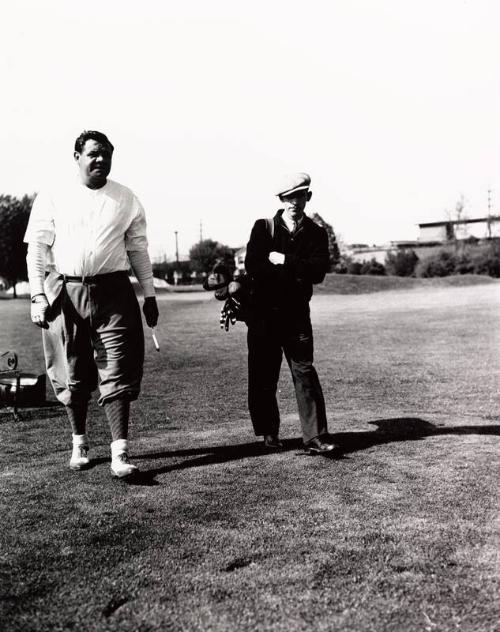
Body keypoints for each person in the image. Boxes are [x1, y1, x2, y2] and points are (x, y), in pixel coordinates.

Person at [24, 130, 159, 478]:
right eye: (94, 153)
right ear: (77, 156)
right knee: (72, 368)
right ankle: (79, 442)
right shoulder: (54, 196)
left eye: (107, 153)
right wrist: (38, 294)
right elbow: (37, 250)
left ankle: (120, 453)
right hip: (64, 291)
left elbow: (138, 251)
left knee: (117, 366)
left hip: (114, 291)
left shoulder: (126, 198)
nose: (101, 159)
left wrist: (150, 294)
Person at [244, 172, 336, 454]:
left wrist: (283, 260)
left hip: (297, 314)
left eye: (300, 195)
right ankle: (269, 432)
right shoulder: (263, 228)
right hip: (264, 315)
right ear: (281, 199)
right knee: (263, 375)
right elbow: (254, 267)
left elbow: (318, 272)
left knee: (304, 372)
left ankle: (315, 437)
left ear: (308, 197)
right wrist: (298, 269)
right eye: (288, 197)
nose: (294, 202)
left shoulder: (317, 233)